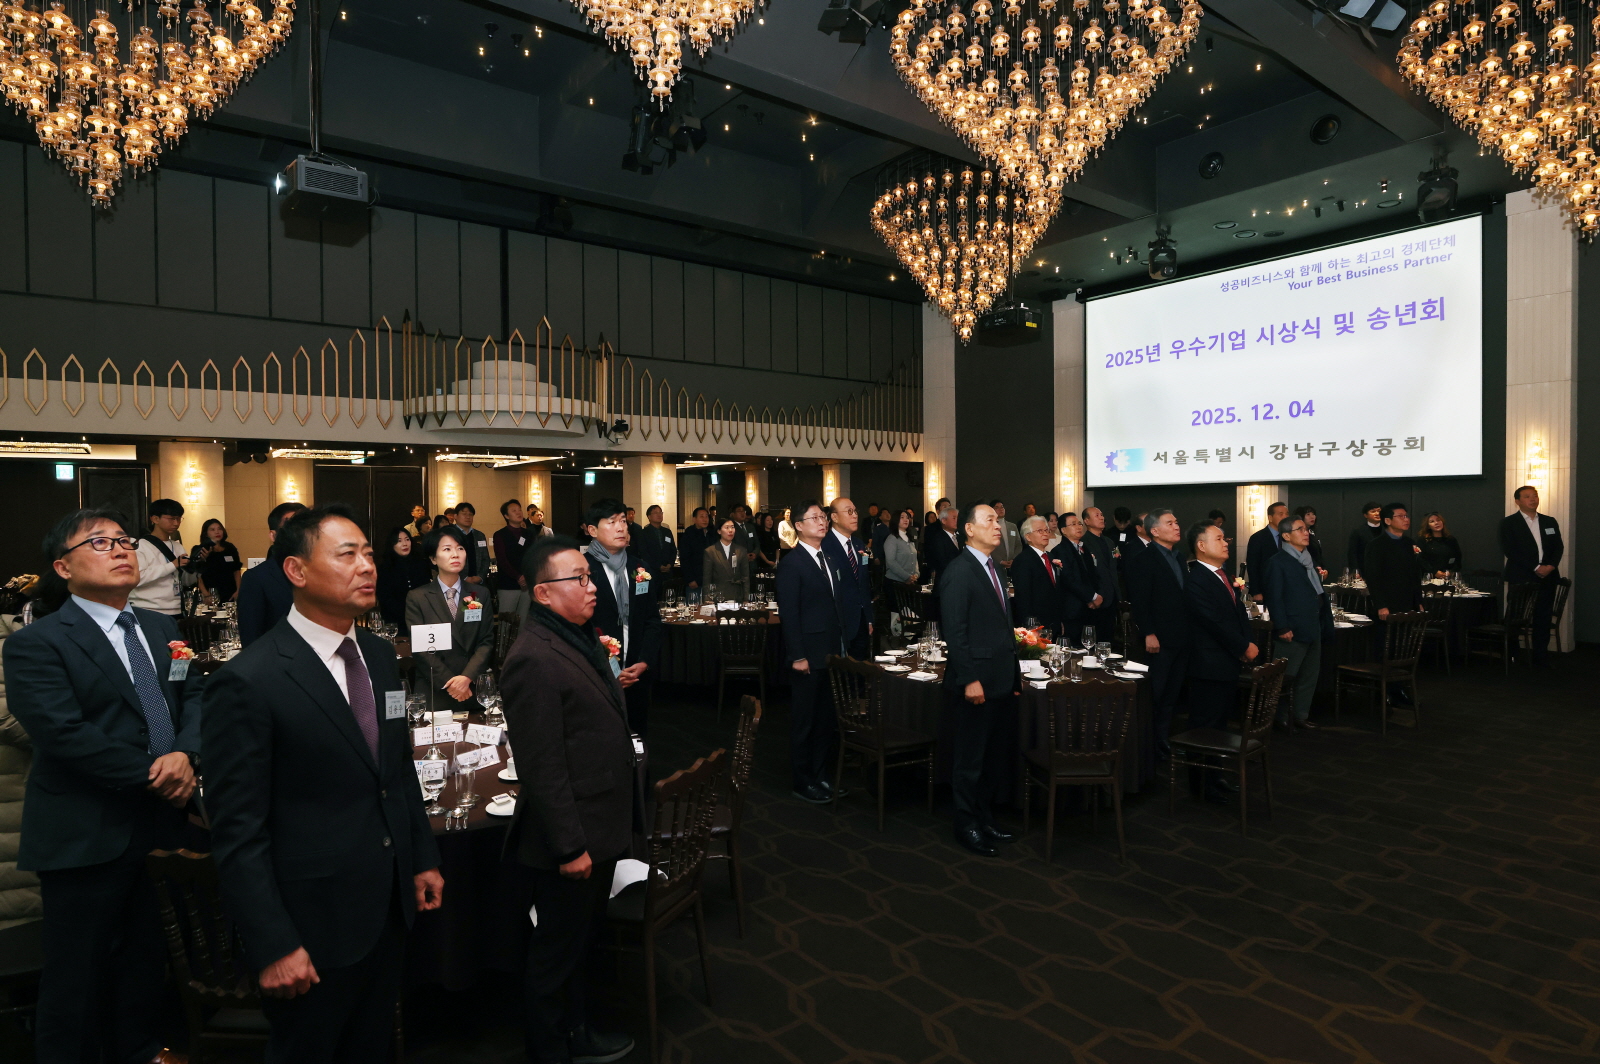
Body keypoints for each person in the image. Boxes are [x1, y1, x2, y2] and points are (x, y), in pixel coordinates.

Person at [203, 504, 444, 1063]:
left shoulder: (380, 656)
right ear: (296, 571)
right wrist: (274, 944)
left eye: (368, 553)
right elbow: (238, 830)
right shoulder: (250, 680)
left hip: (384, 903)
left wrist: (421, 857)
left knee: (373, 1045)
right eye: (346, 555)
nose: (367, 566)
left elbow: (395, 769)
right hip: (310, 921)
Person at [3, 509, 202, 1064]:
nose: (119, 549)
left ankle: (139, 1052)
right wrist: (156, 772)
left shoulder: (161, 628)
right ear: (63, 567)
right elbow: (62, 733)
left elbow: (194, 697)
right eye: (99, 542)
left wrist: (186, 752)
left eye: (123, 541)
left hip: (159, 825)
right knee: (78, 976)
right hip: (86, 831)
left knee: (146, 960)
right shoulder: (37, 643)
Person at [500, 537, 640, 1064]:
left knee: (581, 945)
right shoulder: (533, 657)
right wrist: (569, 847)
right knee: (555, 956)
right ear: (542, 593)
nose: (591, 587)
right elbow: (543, 767)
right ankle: (551, 1049)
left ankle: (577, 1032)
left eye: (589, 576)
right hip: (573, 836)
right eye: (578, 579)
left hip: (598, 822)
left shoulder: (574, 636)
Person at [940, 502, 1018, 857]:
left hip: (1000, 678)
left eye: (998, 520)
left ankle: (985, 818)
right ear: (969, 529)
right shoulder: (960, 571)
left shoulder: (994, 569)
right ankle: (966, 824)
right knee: (969, 760)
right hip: (977, 682)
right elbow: (955, 632)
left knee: (991, 757)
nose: (997, 525)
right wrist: (969, 678)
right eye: (989, 520)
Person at [776, 501, 844, 804]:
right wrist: (798, 655)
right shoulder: (792, 563)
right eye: (814, 518)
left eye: (823, 517)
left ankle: (820, 776)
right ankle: (802, 780)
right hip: (807, 654)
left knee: (824, 719)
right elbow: (789, 614)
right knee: (805, 720)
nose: (822, 522)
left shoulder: (826, 557)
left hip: (829, 651)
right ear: (799, 526)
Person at [1184, 521, 1257, 804]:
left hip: (1226, 660)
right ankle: (1200, 784)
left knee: (1219, 725)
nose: (1226, 542)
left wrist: (1246, 644)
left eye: (1225, 538)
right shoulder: (1196, 580)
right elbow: (1211, 621)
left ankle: (1215, 776)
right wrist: (1243, 646)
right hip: (1208, 663)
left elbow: (1238, 614)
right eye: (1218, 539)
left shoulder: (1222, 574)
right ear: (1201, 546)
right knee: (1204, 725)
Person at [583, 498, 661, 737]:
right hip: (596, 674)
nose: (621, 528)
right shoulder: (583, 570)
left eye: (623, 521)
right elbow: (579, 626)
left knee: (637, 738)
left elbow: (652, 620)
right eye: (612, 522)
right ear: (592, 530)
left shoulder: (640, 568)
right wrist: (610, 668)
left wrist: (644, 662)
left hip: (636, 672)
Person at [407, 525, 496, 715]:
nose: (455, 554)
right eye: (447, 549)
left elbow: (485, 642)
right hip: (436, 689)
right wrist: (451, 683)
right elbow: (421, 649)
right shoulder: (418, 597)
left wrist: (466, 678)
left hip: (471, 690)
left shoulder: (478, 594)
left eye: (460, 548)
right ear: (433, 558)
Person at [1124, 509, 1189, 755]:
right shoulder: (1143, 559)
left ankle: (1163, 739)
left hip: (1181, 635)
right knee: (1156, 693)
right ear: (1154, 531)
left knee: (1173, 693)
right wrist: (1148, 633)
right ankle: (1149, 744)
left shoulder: (1180, 557)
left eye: (1176, 521)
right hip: (1158, 637)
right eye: (1170, 523)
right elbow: (1140, 601)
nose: (1176, 526)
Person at [1262, 516, 1334, 733]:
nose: (1306, 533)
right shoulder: (1278, 562)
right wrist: (1282, 627)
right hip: (1292, 629)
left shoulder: (1308, 559)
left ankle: (1300, 715)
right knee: (1284, 678)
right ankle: (1277, 717)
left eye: (1307, 529)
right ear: (1286, 535)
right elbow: (1274, 598)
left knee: (1309, 676)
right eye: (1300, 529)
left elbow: (1315, 594)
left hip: (1313, 625)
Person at [1500, 485, 1564, 665]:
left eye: (1535, 496)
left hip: (1547, 576)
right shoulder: (1509, 523)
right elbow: (1510, 550)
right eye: (1527, 496)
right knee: (1515, 615)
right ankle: (1511, 653)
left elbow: (1558, 547)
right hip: (1521, 576)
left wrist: (1550, 566)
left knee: (1543, 616)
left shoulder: (1549, 521)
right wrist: (1536, 567)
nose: (1533, 499)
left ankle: (1540, 655)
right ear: (1518, 501)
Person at [238, 501, 309, 646]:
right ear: (273, 535)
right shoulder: (256, 578)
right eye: (290, 526)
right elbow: (251, 638)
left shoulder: (322, 571)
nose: (299, 532)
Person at [824, 497, 874, 658]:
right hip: (837, 621)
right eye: (849, 511)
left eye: (855, 511)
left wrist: (869, 617)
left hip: (860, 619)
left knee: (860, 671)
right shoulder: (824, 545)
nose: (855, 515)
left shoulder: (859, 545)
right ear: (834, 517)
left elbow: (863, 584)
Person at [131, 499, 191, 616]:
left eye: (178, 519)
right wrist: (172, 565)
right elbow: (137, 578)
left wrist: (196, 567)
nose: (176, 523)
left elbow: (185, 581)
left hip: (177, 609)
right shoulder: (140, 546)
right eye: (171, 519)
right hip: (148, 610)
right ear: (155, 519)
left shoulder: (178, 547)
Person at [1051, 513, 1103, 644]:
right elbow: (1069, 580)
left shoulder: (1085, 548)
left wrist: (1095, 595)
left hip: (1090, 608)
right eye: (1073, 524)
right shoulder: (1059, 551)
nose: (1078, 527)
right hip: (1073, 609)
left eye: (1079, 523)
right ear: (1063, 530)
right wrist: (1091, 596)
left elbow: (1093, 575)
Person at [1009, 515, 1064, 637]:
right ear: (1028, 536)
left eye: (1046, 530)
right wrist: (1031, 628)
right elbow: (1023, 598)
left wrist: (1059, 621)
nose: (1045, 534)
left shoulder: (1049, 557)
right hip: (1035, 627)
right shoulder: (1023, 560)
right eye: (1040, 531)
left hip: (1053, 623)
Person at [375, 527, 427, 632]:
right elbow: (385, 598)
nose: (405, 544)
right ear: (392, 544)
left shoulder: (420, 563)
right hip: (395, 621)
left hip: (421, 618)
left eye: (407, 539)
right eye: (399, 541)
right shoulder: (385, 568)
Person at [1079, 506, 1120, 635]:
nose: (1102, 517)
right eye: (1097, 515)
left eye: (1102, 515)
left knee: (1110, 636)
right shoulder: (1083, 542)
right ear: (1086, 521)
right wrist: (1092, 595)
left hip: (1112, 595)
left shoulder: (1109, 542)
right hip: (1096, 597)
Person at [494, 499, 533, 623]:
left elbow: (533, 556)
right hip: (508, 584)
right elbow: (502, 560)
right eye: (514, 511)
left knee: (523, 620)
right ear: (506, 516)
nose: (519, 512)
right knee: (506, 622)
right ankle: (505, 644)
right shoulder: (500, 534)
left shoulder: (529, 534)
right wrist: (518, 577)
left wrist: (526, 576)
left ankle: (521, 643)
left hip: (527, 585)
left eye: (520, 510)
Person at [1245, 501, 1288, 602]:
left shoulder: (1288, 537)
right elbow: (1253, 567)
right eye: (1281, 514)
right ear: (1270, 517)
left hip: (1287, 590)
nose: (1285, 517)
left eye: (1287, 514)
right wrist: (1256, 591)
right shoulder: (1258, 538)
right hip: (1266, 590)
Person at [195, 518, 243, 602]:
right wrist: (206, 595)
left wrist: (238, 590)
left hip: (231, 593)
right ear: (206, 533)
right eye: (212, 530)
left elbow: (236, 570)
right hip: (211, 593)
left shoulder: (230, 547)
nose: (217, 532)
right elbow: (197, 575)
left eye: (219, 529)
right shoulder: (201, 549)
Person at [452, 502, 493, 598]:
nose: (468, 517)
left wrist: (480, 577)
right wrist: (463, 578)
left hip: (478, 584)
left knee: (478, 610)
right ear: (455, 516)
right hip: (456, 584)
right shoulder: (449, 534)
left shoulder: (479, 535)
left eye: (470, 514)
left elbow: (486, 559)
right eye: (464, 514)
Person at [679, 507, 716, 596]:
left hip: (712, 578)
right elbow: (684, 558)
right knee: (695, 606)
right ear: (694, 519)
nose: (704, 519)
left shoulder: (712, 533)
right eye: (701, 516)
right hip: (695, 578)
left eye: (706, 516)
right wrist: (690, 579)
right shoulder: (689, 534)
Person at [923, 505, 963, 584]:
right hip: (946, 581)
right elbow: (942, 562)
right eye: (954, 518)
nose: (957, 521)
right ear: (944, 521)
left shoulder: (960, 537)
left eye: (958, 518)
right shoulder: (938, 538)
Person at [635, 504, 677, 577]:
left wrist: (670, 564)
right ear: (649, 516)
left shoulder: (667, 531)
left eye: (660, 512)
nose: (659, 515)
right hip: (652, 571)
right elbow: (644, 553)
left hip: (668, 571)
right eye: (655, 513)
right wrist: (658, 566)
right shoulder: (643, 533)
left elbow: (673, 549)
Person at [883, 509, 921, 585]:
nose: (906, 520)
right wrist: (907, 577)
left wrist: (916, 574)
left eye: (907, 517)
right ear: (896, 520)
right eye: (902, 517)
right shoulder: (892, 539)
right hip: (895, 582)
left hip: (911, 582)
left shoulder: (909, 538)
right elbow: (891, 562)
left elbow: (914, 558)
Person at [1346, 501, 1383, 578]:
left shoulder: (1388, 530)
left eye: (1379, 511)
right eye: (1373, 511)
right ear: (1365, 515)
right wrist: (1355, 571)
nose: (1377, 513)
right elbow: (1353, 553)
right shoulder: (1358, 531)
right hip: (1365, 571)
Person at [1112, 506, 1144, 573]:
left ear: (1129, 521)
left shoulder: (1136, 532)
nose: (1122, 526)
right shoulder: (1108, 534)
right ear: (1114, 518)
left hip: (1133, 567)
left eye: (1125, 523)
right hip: (1115, 568)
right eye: (1120, 523)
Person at [1293, 505, 1326, 570]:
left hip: (1318, 569)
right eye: (1308, 514)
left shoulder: (1312, 532)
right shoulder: (1298, 535)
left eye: (1313, 514)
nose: (1312, 517)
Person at [991, 500, 1020, 568]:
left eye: (1002, 507)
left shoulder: (1012, 526)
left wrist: (1014, 559)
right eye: (997, 507)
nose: (1000, 509)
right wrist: (1000, 561)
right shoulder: (990, 527)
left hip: (1013, 564)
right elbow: (988, 546)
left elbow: (1018, 545)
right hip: (996, 564)